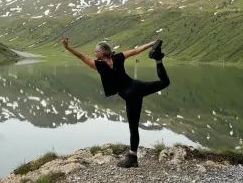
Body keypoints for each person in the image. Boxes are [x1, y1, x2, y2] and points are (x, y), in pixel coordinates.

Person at [61, 36, 170, 168]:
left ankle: (132, 158)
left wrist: (67, 47)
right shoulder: (118, 57)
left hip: (131, 95)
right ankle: (158, 58)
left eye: (96, 52)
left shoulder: (99, 65)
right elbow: (135, 51)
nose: (94, 54)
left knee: (133, 128)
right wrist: (152, 43)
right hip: (137, 85)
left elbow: (81, 56)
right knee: (165, 82)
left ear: (101, 53)